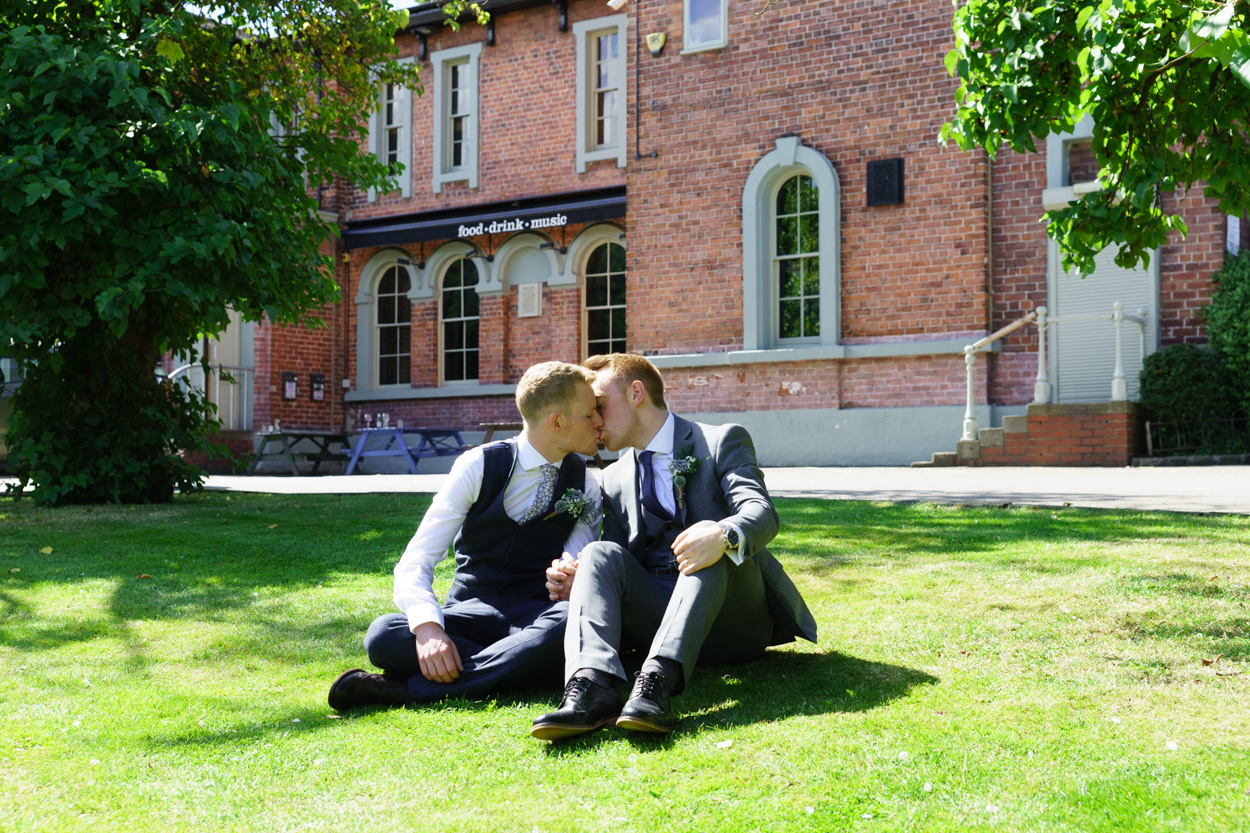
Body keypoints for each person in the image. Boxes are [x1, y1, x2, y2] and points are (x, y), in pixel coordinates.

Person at [531, 353, 817, 739]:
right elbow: (621, 561)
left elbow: (761, 512)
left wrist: (721, 535)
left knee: (706, 537)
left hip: (734, 620)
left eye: (599, 404)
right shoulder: (613, 478)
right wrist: (583, 582)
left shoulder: (720, 440)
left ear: (636, 393)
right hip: (660, 616)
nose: (594, 420)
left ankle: (656, 683)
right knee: (598, 555)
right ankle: (591, 688)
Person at [328, 361, 605, 710]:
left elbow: (574, 561)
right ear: (557, 422)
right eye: (590, 413)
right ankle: (525, 667)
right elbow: (417, 558)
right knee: (383, 635)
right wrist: (429, 629)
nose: (599, 422)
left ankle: (402, 689)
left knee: (568, 622)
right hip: (471, 613)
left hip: (536, 617)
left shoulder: (587, 484)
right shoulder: (478, 465)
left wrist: (568, 574)